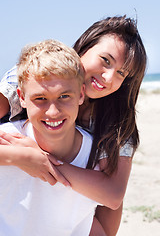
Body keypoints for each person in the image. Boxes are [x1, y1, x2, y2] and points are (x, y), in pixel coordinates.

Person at [0, 15, 147, 235]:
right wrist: (21, 157)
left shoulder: (116, 121)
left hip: (76, 199)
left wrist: (44, 160)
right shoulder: (38, 73)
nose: (107, 77)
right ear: (85, 47)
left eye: (120, 73)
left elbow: (113, 195)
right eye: (105, 60)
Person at [0, 39, 108, 236]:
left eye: (64, 96)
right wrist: (18, 157)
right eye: (40, 98)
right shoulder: (7, 139)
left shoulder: (99, 155)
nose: (53, 112)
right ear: (22, 97)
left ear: (81, 94)